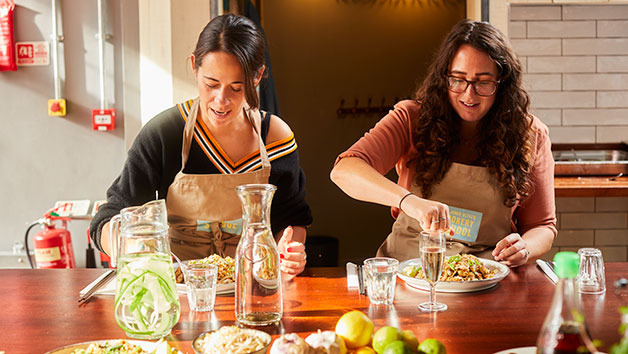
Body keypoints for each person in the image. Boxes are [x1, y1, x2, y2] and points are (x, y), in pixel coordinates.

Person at [90, 14, 312, 275]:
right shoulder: (165, 134)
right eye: (211, 84)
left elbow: (293, 219)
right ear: (195, 66)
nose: (221, 100)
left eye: (236, 88)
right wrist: (127, 243)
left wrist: (290, 251)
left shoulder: (274, 136)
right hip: (180, 289)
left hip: (253, 286)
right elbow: (108, 216)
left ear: (257, 76)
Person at [330, 19, 556, 267]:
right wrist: (409, 201)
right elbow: (345, 170)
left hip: (487, 274)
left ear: (503, 84)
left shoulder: (530, 134)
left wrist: (525, 248)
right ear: (443, 78)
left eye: (483, 82)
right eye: (458, 79)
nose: (469, 95)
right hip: (409, 268)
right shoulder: (410, 119)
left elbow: (542, 226)